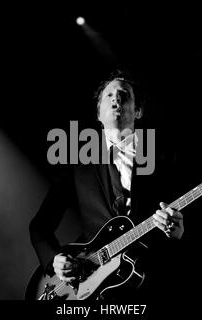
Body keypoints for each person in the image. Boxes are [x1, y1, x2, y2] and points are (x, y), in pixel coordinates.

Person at [29, 71, 184, 299]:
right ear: (98, 114)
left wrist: (178, 232)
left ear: (138, 111)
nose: (116, 99)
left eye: (124, 95)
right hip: (91, 288)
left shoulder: (165, 160)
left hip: (148, 282)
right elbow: (39, 227)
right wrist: (55, 261)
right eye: (109, 95)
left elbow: (180, 219)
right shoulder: (78, 165)